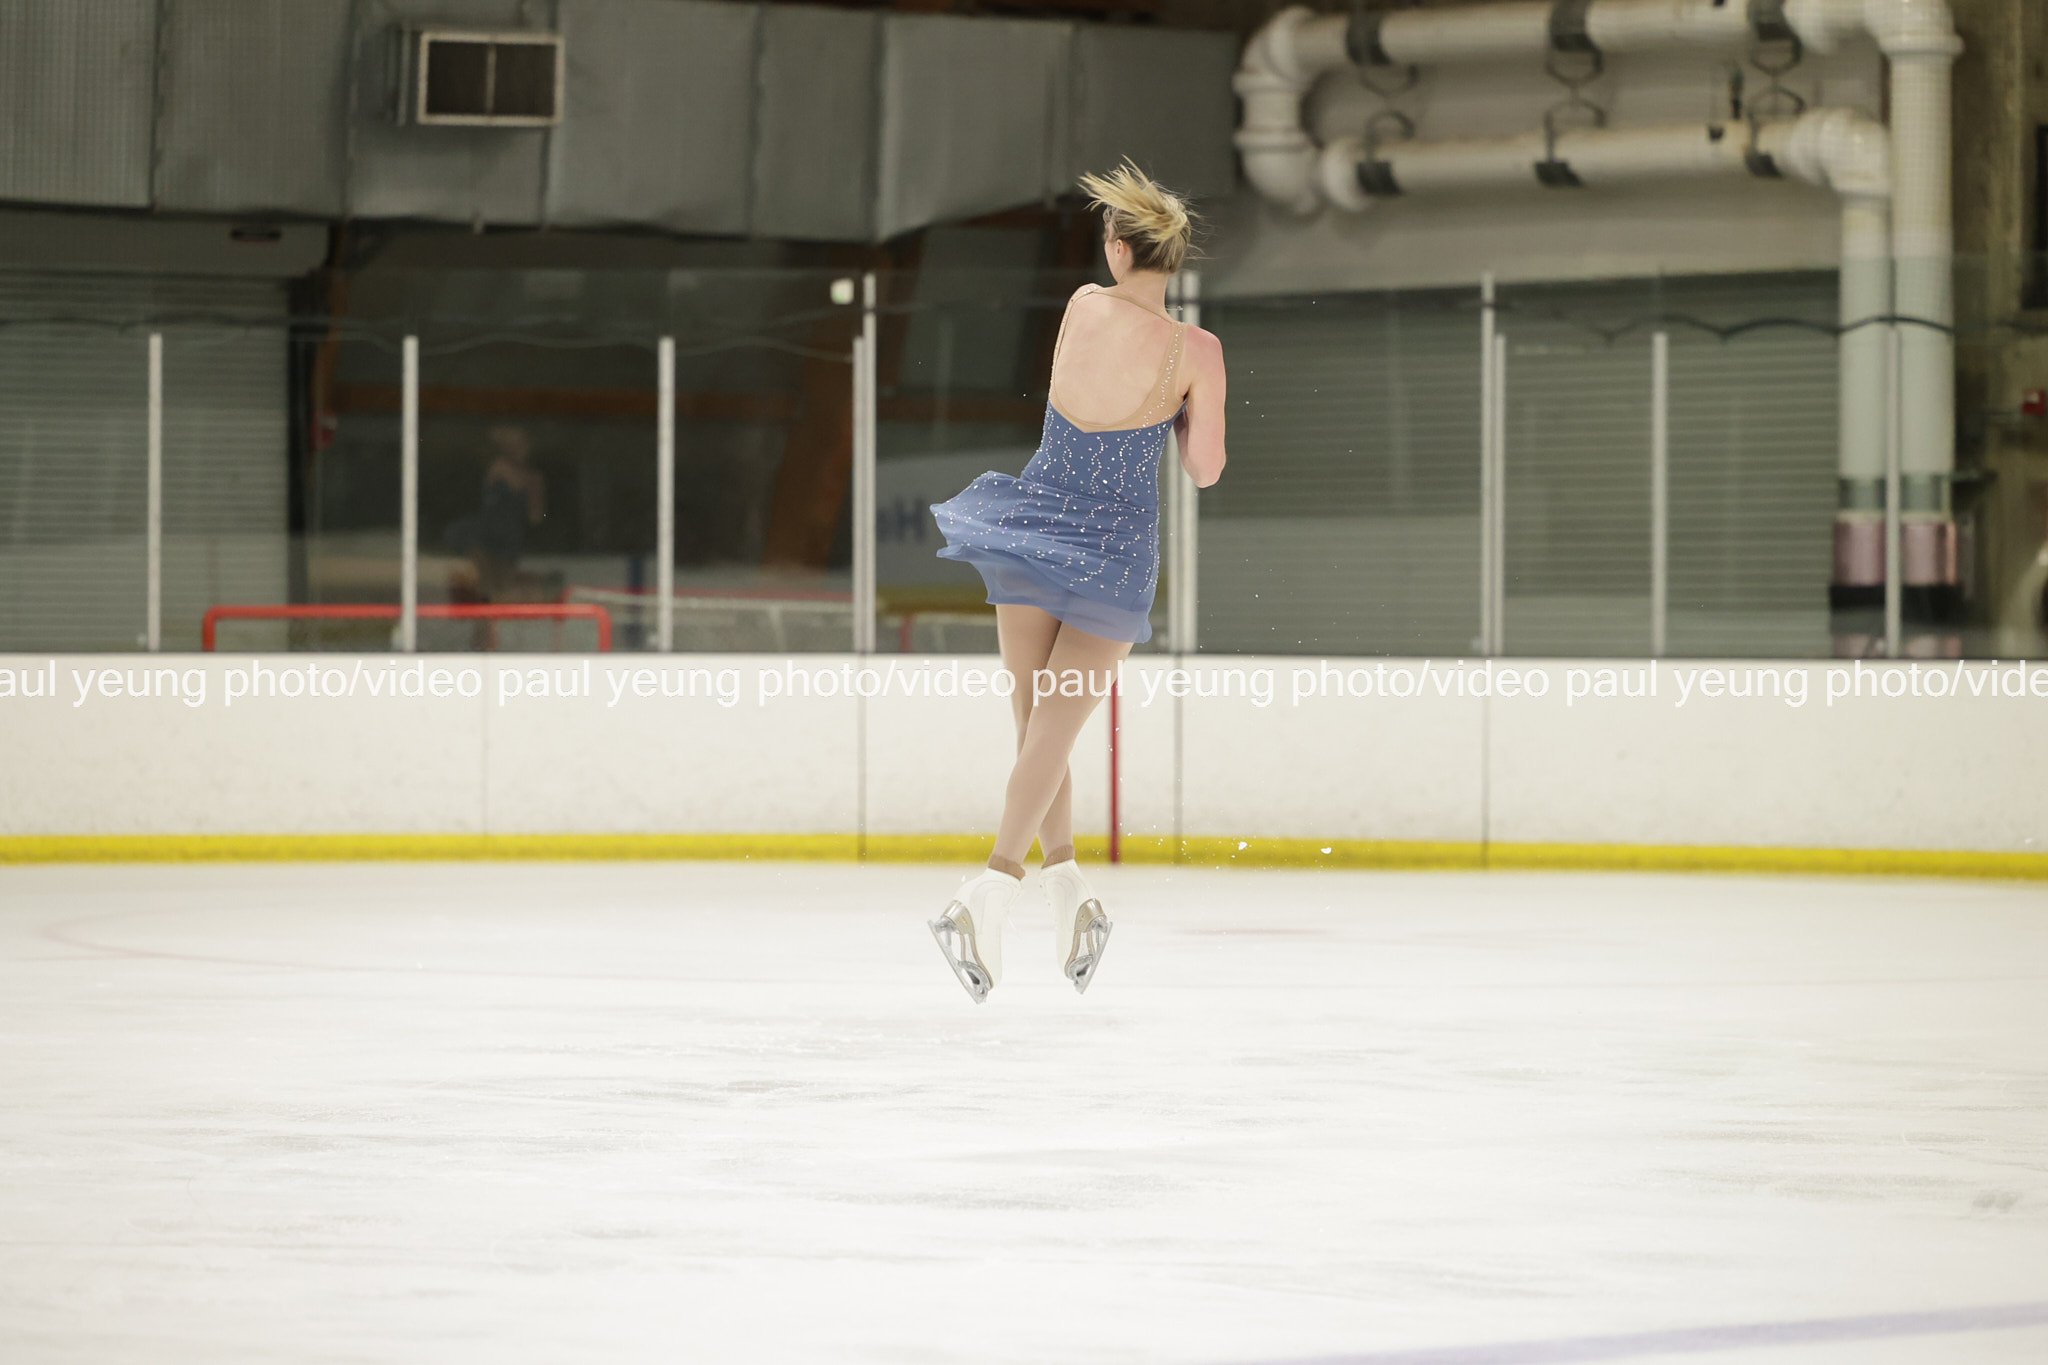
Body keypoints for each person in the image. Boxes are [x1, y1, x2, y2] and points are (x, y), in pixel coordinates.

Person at [925, 159, 1228, 1003]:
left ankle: (1054, 889)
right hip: (1115, 553)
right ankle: (996, 890)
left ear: (1119, 249)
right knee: (1051, 736)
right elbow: (1205, 468)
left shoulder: (1082, 306)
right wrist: (1183, 409)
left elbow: (1077, 393)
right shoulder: (1197, 352)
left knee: (1036, 733)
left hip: (1032, 528)